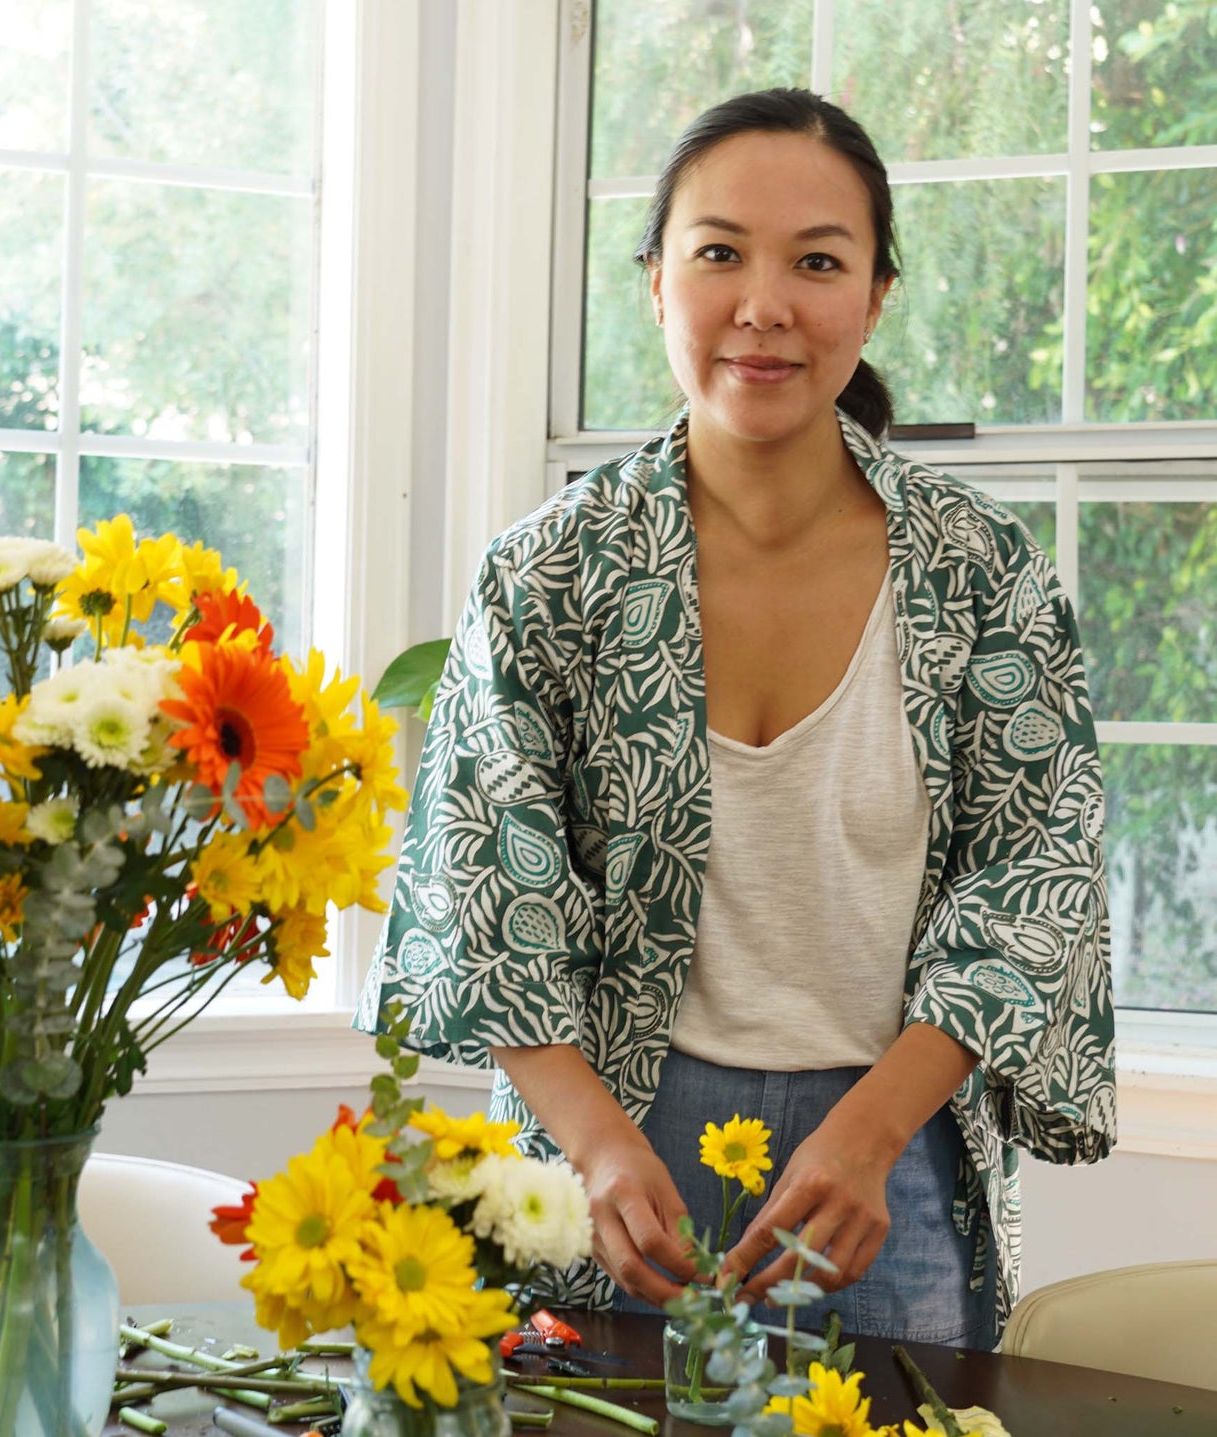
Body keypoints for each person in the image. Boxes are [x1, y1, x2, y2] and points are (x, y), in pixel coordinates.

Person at [355, 87, 1114, 1350]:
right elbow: (484, 894)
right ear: (655, 280)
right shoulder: (546, 576)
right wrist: (594, 1146)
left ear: (873, 297)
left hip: (884, 1163)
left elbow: (1035, 876)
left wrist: (871, 1132)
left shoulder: (982, 573)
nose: (762, 306)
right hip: (606, 1160)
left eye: (816, 262)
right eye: (717, 254)